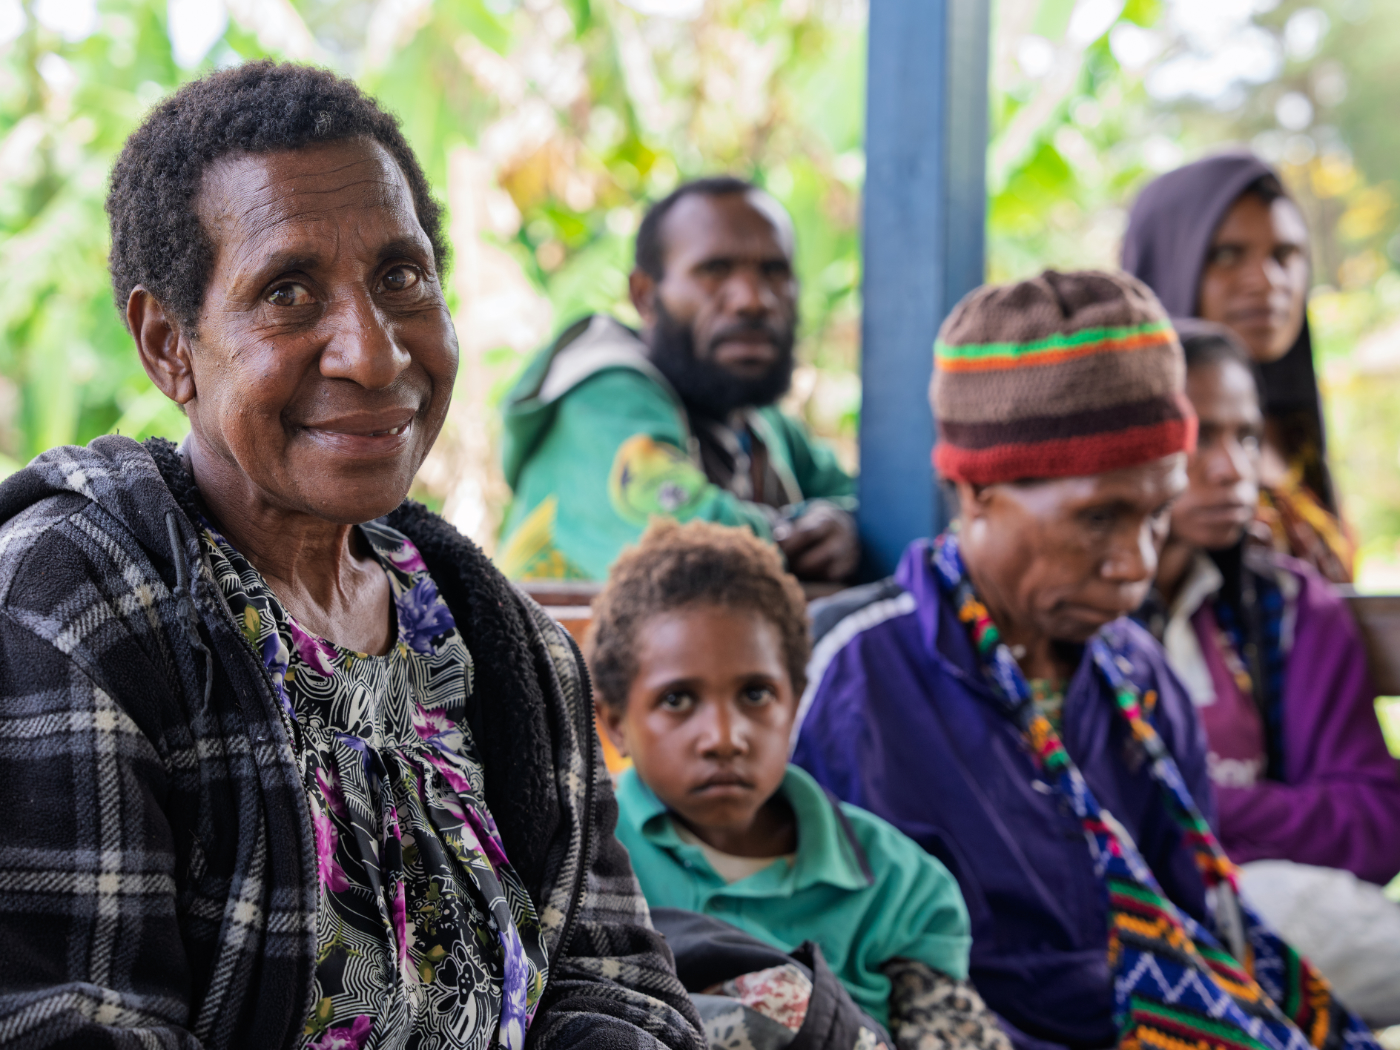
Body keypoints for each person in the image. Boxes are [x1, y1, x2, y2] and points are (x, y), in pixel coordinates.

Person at [0, 62, 704, 1050]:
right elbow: (75, 1025)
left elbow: (616, 979)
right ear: (167, 345)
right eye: (287, 293)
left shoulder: (503, 646)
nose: (372, 355)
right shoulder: (78, 608)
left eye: (400, 278)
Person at [793, 271, 1378, 1050]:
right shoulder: (852, 679)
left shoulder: (1140, 679)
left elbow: (1190, 936)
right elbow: (825, 977)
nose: (1136, 564)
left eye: (1158, 514)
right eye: (1099, 518)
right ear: (976, 490)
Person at [589, 519, 1009, 1050]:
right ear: (616, 721)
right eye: (677, 700)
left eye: (756, 694)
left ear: (795, 701)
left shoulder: (899, 887)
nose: (724, 738)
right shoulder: (583, 863)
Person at [1138, 319, 1400, 1025]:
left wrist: (1198, 810)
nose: (1235, 469)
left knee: (1281, 909)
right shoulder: (1079, 614)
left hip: (1271, 922)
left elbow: (1375, 821)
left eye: (1248, 437)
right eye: (1202, 437)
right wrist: (1272, 814)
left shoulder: (1288, 609)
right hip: (1136, 938)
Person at [497, 177, 858, 583]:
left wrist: (845, 522)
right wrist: (816, 533)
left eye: (774, 271)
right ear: (644, 295)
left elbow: (879, 507)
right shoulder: (601, 399)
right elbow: (692, 549)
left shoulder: (762, 426)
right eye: (715, 270)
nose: (753, 299)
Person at [1122, 151, 1355, 582]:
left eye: (1285, 255)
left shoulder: (1297, 442)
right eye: (1228, 255)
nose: (1267, 282)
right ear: (1171, 260)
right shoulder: (1116, 465)